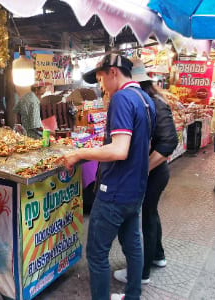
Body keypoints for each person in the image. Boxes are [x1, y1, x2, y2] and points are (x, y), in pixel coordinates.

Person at [64, 54, 156, 300]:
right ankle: (132, 295)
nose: (100, 86)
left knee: (96, 254)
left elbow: (119, 149)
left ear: (113, 72)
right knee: (133, 245)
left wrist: (78, 153)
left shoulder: (122, 99)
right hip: (136, 189)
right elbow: (140, 147)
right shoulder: (146, 99)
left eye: (101, 78)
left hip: (114, 192)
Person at [112, 59, 178, 285]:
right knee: (151, 213)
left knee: (144, 219)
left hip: (155, 172)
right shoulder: (149, 99)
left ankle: (141, 273)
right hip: (155, 171)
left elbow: (169, 142)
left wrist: (143, 169)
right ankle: (157, 256)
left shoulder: (152, 102)